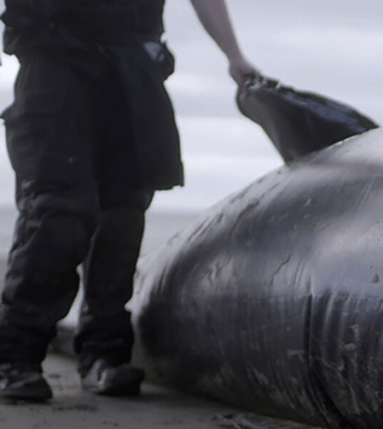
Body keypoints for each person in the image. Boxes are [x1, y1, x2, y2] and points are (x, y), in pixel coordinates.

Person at [0, 0, 258, 401]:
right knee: (60, 210)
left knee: (123, 212)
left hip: (133, 61)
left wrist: (234, 54)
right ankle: (13, 357)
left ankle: (104, 355)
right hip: (53, 58)